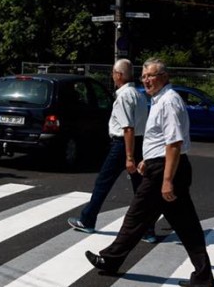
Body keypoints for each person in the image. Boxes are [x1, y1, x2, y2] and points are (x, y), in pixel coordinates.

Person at [84, 59, 214, 287]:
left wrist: (166, 180)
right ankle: (203, 275)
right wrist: (148, 159)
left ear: (164, 76)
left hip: (165, 172)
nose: (146, 80)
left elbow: (174, 142)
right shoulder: (160, 99)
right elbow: (163, 140)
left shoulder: (168, 101)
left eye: (151, 75)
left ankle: (111, 259)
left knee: (136, 217)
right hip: (163, 166)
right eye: (144, 76)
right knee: (187, 226)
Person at [67, 59, 158, 242]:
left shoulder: (124, 97)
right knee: (141, 189)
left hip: (123, 145)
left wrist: (129, 156)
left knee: (103, 182)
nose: (112, 77)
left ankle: (87, 220)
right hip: (139, 143)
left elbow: (128, 128)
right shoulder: (140, 95)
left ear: (119, 75)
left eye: (113, 73)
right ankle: (148, 230)